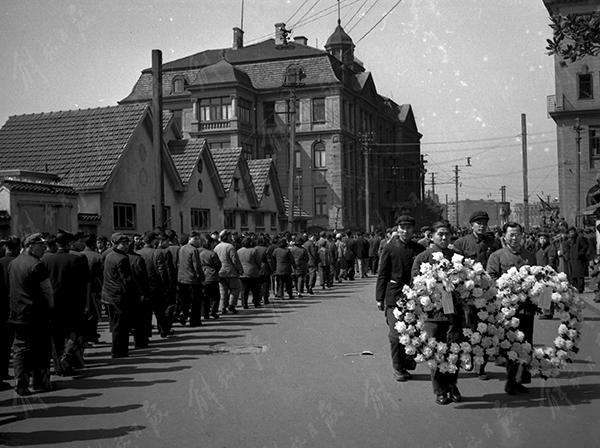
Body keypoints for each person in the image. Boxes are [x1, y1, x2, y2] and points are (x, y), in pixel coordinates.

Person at [411, 221, 462, 405]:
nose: (444, 237)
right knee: (436, 352)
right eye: (440, 234)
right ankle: (440, 390)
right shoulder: (422, 258)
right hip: (433, 314)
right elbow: (415, 286)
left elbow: (464, 284)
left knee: (454, 350)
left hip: (453, 313)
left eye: (447, 234)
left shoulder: (457, 257)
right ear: (431, 236)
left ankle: (452, 385)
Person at [486, 222, 536, 395]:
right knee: (510, 344)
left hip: (526, 308)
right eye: (511, 235)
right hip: (507, 310)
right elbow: (491, 279)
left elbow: (536, 277)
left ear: (523, 236)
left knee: (526, 343)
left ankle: (519, 379)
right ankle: (510, 380)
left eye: (518, 235)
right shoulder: (496, 256)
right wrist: (508, 285)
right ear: (504, 236)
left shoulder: (529, 255)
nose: (514, 238)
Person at [452, 210, 501, 380]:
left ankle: (481, 365)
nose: (482, 226)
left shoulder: (493, 243)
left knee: (486, 327)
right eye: (478, 223)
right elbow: (456, 269)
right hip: (468, 294)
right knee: (468, 326)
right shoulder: (461, 243)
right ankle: (467, 357)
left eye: (484, 223)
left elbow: (497, 264)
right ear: (471, 225)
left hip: (488, 292)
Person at [376, 215, 425, 382]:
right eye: (402, 227)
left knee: (414, 332)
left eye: (409, 227)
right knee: (396, 335)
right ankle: (398, 367)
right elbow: (382, 274)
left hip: (415, 296)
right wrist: (379, 297)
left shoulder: (419, 249)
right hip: (394, 295)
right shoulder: (390, 248)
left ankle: (407, 361)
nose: (405, 231)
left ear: (413, 230)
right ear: (398, 229)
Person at [8, 233, 54, 395]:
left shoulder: (13, 263)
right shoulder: (37, 265)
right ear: (30, 246)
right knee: (41, 349)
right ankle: (40, 382)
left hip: (17, 313)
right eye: (41, 246)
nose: (44, 249)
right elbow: (47, 290)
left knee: (20, 348)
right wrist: (51, 307)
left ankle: (21, 383)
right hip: (36, 313)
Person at [43, 230, 89, 376]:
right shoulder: (77, 259)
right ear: (69, 244)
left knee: (56, 337)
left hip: (53, 304)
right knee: (73, 335)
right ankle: (67, 359)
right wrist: (85, 304)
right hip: (72, 304)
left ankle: (58, 367)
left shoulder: (46, 260)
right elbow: (82, 285)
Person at [101, 233, 135, 358]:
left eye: (127, 243)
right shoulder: (122, 258)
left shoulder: (109, 255)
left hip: (109, 294)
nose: (126, 246)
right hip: (118, 295)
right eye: (123, 244)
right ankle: (119, 350)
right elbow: (126, 280)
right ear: (116, 244)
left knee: (116, 324)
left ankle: (118, 349)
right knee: (120, 325)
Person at [0, 237, 19, 391]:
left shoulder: (2, 262)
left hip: (3, 308)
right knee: (11, 342)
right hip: (14, 307)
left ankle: (3, 371)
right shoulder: (17, 263)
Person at [177, 231, 205, 325]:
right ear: (190, 239)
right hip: (192, 279)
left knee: (185, 299)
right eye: (195, 239)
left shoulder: (181, 249)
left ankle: (183, 314)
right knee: (196, 301)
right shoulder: (194, 250)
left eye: (198, 239)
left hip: (182, 278)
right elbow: (197, 266)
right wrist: (201, 277)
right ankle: (194, 320)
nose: (197, 241)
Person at [214, 230, 243, 314]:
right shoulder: (230, 247)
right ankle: (231, 305)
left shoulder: (216, 247)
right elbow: (235, 260)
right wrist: (239, 269)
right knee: (235, 289)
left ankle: (223, 307)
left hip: (220, 272)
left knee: (223, 291)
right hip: (231, 272)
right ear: (226, 237)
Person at [199, 235, 222, 318]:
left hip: (203, 276)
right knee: (215, 296)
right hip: (212, 276)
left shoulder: (199, 253)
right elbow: (218, 265)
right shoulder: (212, 254)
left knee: (205, 296)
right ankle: (213, 311)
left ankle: (205, 313)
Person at [237, 237, 262, 308]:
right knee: (255, 289)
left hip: (242, 272)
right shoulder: (254, 251)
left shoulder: (239, 251)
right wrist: (258, 268)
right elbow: (258, 261)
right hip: (253, 272)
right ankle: (256, 303)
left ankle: (244, 303)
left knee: (244, 290)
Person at [566, 227, 588, 293]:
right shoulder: (571, 240)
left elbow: (585, 247)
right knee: (574, 275)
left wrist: (579, 254)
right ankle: (576, 288)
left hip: (579, 260)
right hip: (573, 260)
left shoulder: (579, 238)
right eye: (570, 232)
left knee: (580, 275)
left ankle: (580, 289)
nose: (571, 233)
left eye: (572, 232)